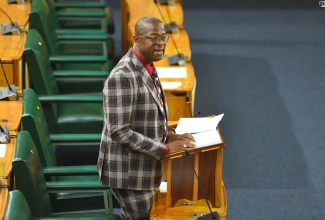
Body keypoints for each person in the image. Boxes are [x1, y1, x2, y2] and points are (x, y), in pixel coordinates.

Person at [97, 16, 196, 220]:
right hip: (129, 173)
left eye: (163, 38)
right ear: (136, 39)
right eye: (153, 38)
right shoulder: (123, 76)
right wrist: (164, 149)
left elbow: (146, 115)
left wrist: (169, 135)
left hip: (142, 166)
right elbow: (119, 131)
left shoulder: (147, 64)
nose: (160, 44)